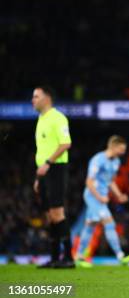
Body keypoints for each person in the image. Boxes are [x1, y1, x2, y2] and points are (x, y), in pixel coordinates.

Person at [75, 135, 129, 267]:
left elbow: (110, 181)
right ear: (112, 146)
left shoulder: (116, 162)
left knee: (90, 225)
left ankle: (79, 256)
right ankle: (120, 255)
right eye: (121, 149)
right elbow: (89, 182)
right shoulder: (98, 160)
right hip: (92, 196)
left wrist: (119, 195)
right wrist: (99, 197)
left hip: (101, 197)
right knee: (109, 222)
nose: (123, 152)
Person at [32, 86, 74, 269]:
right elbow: (42, 151)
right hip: (44, 172)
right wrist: (38, 177)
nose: (32, 100)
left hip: (56, 169)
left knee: (58, 213)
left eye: (36, 96)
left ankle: (69, 258)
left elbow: (66, 143)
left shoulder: (58, 118)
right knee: (50, 215)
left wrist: (48, 163)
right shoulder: (41, 119)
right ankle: (55, 258)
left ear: (47, 98)